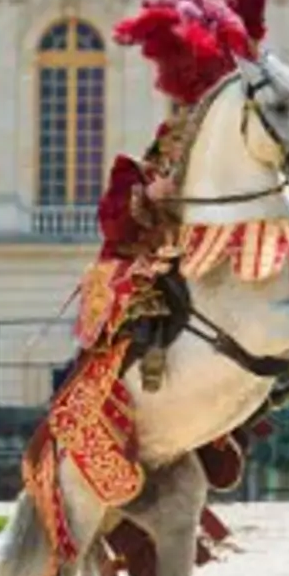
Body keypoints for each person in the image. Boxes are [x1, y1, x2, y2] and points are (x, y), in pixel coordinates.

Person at [69, 119, 190, 392]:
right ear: (163, 144)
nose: (184, 148)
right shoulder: (133, 173)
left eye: (188, 142)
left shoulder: (189, 182)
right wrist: (147, 195)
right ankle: (146, 353)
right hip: (128, 258)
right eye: (179, 141)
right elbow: (112, 225)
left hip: (173, 258)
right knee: (141, 285)